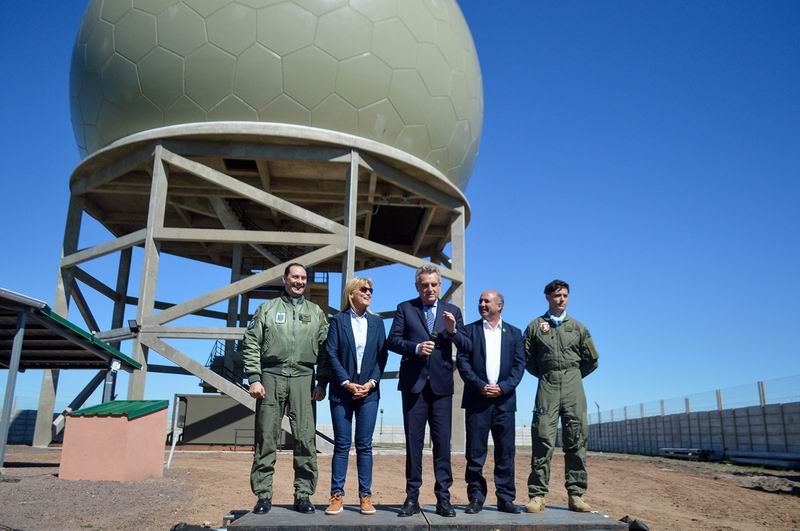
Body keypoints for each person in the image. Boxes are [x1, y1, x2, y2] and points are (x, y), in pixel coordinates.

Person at [243, 263, 329, 515]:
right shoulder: (267, 310)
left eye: (303, 278)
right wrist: (254, 377)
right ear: (285, 279)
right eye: (295, 277)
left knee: (305, 439)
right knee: (266, 438)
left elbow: (326, 350)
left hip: (304, 379)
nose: (299, 281)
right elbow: (251, 342)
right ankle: (263, 495)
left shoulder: (316, 313)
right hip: (271, 377)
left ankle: (303, 494)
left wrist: (322, 381)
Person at [387, 264, 471, 518]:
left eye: (434, 284)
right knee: (413, 445)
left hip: (442, 388)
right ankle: (412, 497)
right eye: (424, 284)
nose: (429, 288)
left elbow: (466, 345)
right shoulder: (405, 308)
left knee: (442, 445)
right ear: (417, 287)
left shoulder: (452, 311)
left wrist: (453, 330)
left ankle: (443, 499)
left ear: (440, 286)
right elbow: (392, 340)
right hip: (414, 387)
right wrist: (414, 348)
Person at [523, 279, 599, 513]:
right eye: (557, 295)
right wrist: (548, 375)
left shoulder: (578, 328)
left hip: (573, 383)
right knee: (542, 437)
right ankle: (537, 495)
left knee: (576, 438)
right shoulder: (535, 326)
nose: (562, 299)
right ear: (547, 297)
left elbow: (592, 360)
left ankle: (576, 495)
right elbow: (527, 359)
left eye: (565, 295)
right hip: (547, 382)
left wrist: (572, 376)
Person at [456, 290, 525, 515]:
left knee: (506, 453)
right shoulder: (469, 331)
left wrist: (503, 387)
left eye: (487, 301)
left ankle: (505, 498)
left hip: (504, 403)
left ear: (500, 305)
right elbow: (463, 362)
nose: (482, 304)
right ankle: (476, 497)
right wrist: (480, 385)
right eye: (480, 301)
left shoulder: (515, 333)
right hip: (478, 401)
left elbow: (519, 366)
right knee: (475, 453)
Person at [323, 277, 388, 516]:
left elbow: (382, 356)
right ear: (352, 294)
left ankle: (365, 496)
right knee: (342, 445)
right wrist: (347, 382)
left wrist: (371, 383)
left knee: (364, 446)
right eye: (364, 289)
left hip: (369, 394)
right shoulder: (337, 322)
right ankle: (336, 495)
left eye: (371, 289)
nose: (369, 292)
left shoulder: (377, 323)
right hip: (342, 392)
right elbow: (331, 353)